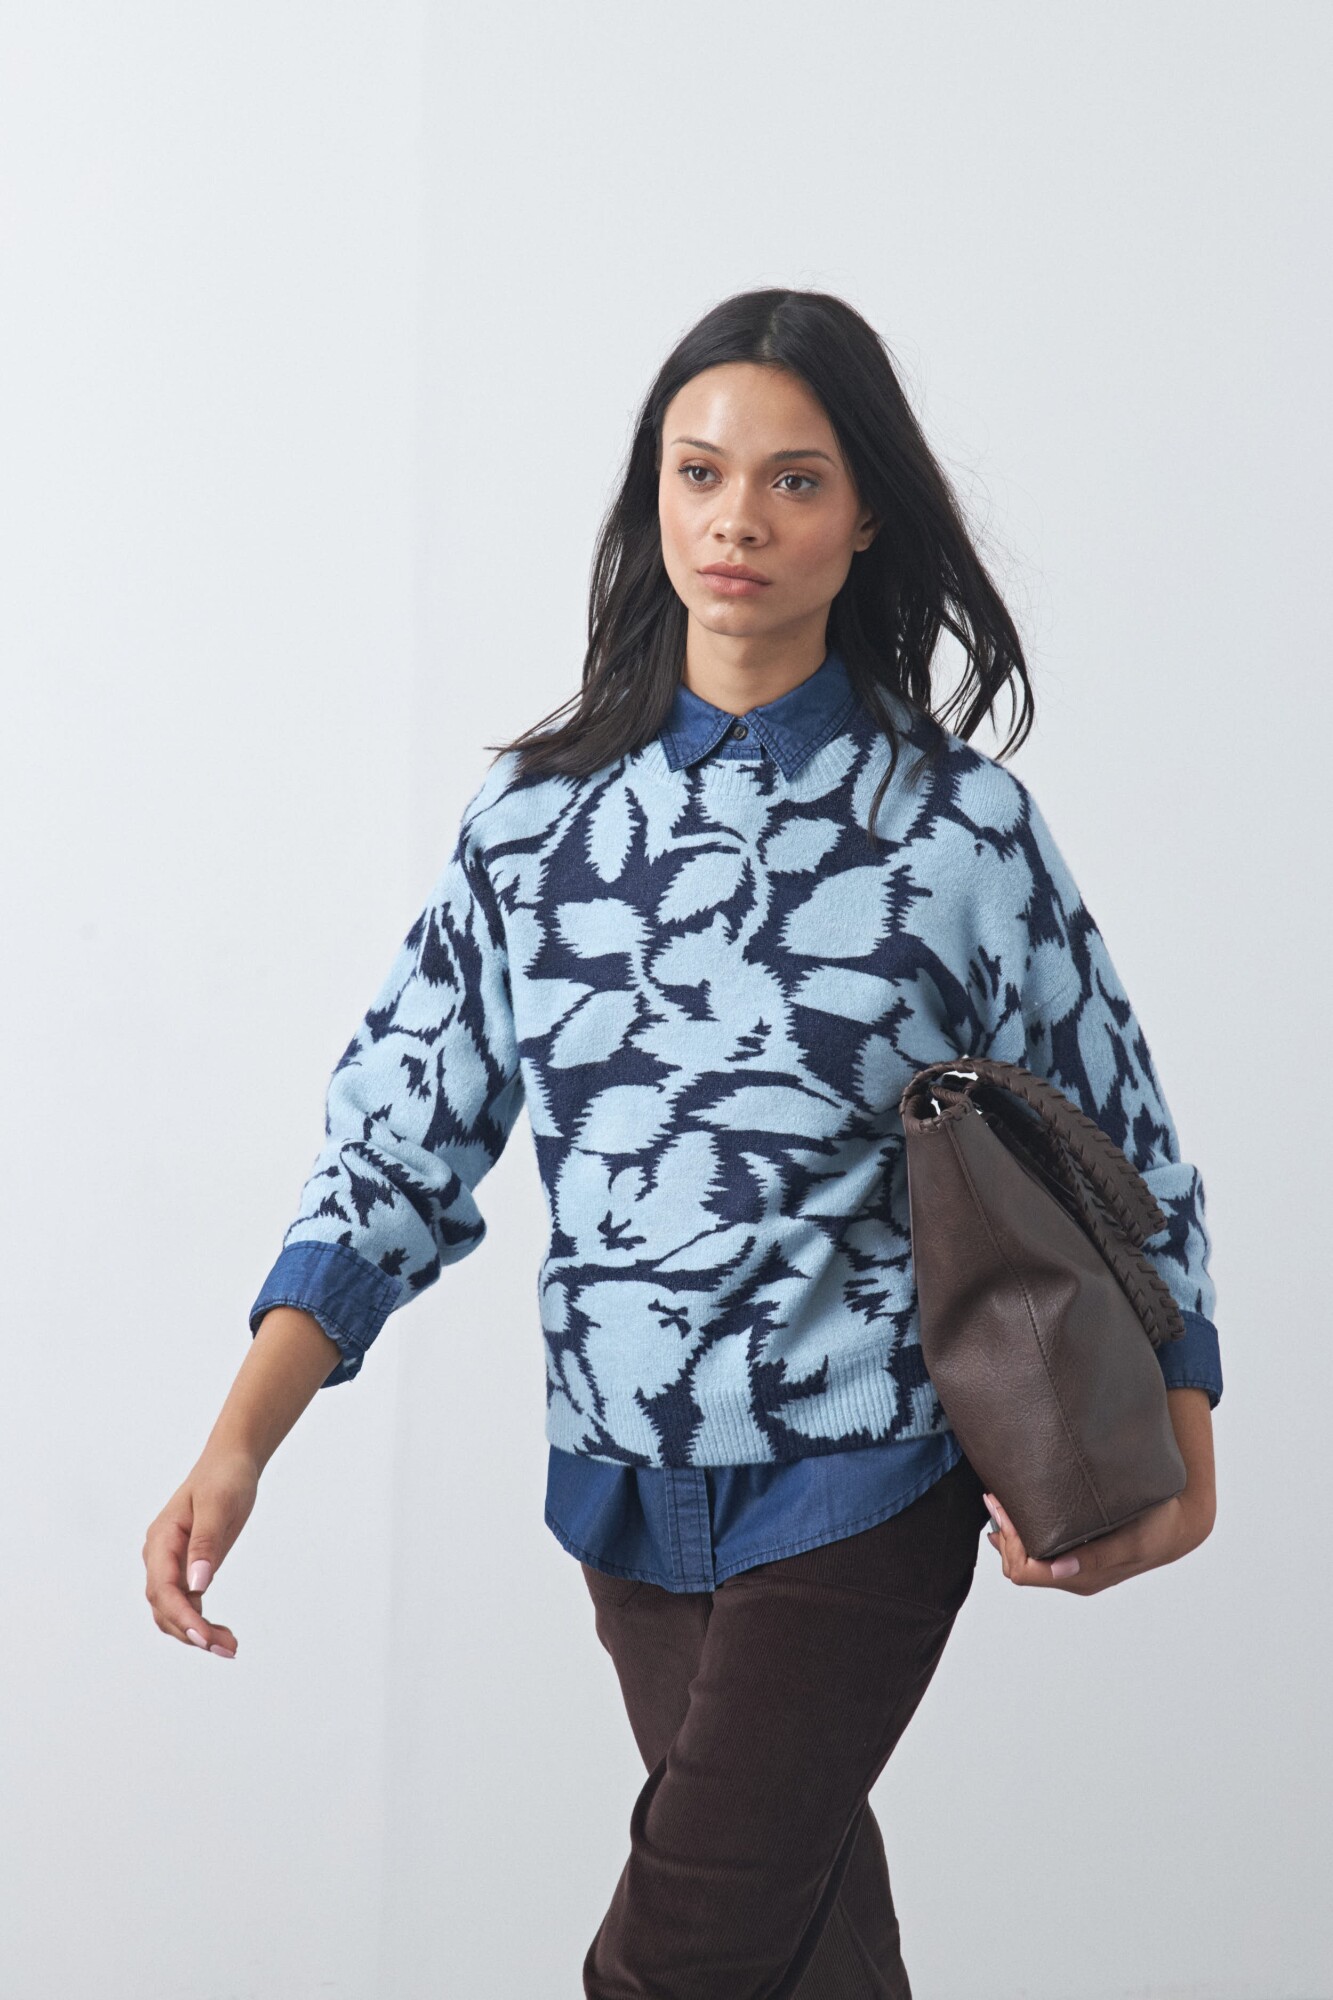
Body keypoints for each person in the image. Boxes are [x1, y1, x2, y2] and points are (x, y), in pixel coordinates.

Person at [142, 287, 1222, 1998]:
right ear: (652, 494)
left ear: (865, 519)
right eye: (699, 472)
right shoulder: (531, 821)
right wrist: (239, 1443)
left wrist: (1182, 1441)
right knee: (806, 1962)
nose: (737, 519)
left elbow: (1121, 1140)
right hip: (623, 1488)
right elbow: (397, 1147)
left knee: (681, 1960)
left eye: (795, 481)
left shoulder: (958, 830)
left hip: (867, 1464)